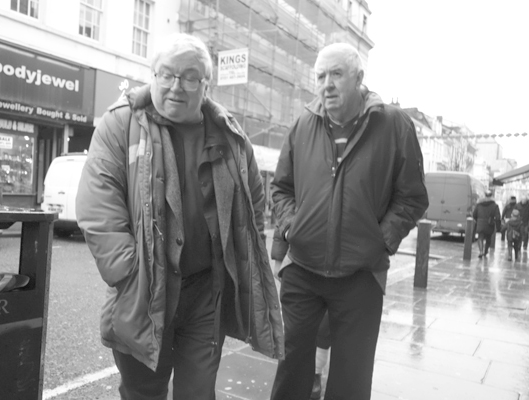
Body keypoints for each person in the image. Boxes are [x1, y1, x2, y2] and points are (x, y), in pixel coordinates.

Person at [75, 33, 284, 400]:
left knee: (199, 391)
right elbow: (98, 208)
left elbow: (252, 206)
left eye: (189, 77)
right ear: (152, 74)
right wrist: (130, 274)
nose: (176, 86)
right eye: (166, 74)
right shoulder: (121, 124)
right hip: (144, 289)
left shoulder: (230, 135)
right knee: (143, 390)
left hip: (206, 291)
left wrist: (246, 266)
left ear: (206, 84)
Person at [269, 42, 429, 400]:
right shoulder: (303, 124)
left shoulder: (393, 124)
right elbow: (281, 188)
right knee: (290, 367)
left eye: (336, 74)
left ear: (359, 78)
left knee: (352, 378)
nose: (326, 84)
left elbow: (413, 197)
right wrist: (292, 226)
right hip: (303, 269)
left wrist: (380, 239)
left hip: (361, 273)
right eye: (320, 76)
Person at [271, 227, 330, 400]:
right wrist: (279, 254)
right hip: (302, 255)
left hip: (352, 257)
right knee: (295, 334)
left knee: (328, 324)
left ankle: (317, 370)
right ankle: (313, 374)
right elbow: (285, 202)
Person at [472, 190, 501, 258]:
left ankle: (481, 251)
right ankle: (485, 251)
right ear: (492, 196)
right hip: (489, 224)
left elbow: (474, 215)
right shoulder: (495, 205)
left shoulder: (479, 205)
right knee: (488, 238)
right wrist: (498, 227)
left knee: (480, 237)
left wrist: (477, 220)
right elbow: (498, 217)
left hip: (480, 223)